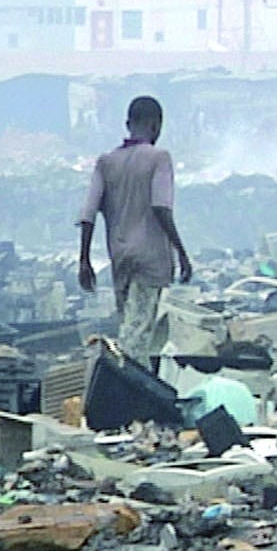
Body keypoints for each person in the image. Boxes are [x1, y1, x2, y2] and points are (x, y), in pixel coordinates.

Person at [76, 94, 191, 366]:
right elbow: (161, 206)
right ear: (156, 125)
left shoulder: (106, 162)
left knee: (131, 326)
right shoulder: (159, 158)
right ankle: (127, 390)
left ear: (128, 123)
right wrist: (181, 252)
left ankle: (132, 388)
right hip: (151, 260)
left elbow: (88, 214)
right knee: (136, 338)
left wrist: (84, 261)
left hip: (120, 258)